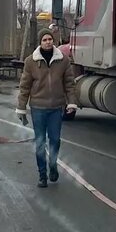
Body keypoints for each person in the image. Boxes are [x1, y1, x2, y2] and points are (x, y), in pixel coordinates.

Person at [16, 29, 79, 187]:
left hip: (56, 108)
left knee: (55, 140)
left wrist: (71, 103)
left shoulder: (63, 60)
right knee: (39, 142)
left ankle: (53, 165)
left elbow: (69, 84)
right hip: (38, 107)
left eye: (50, 39)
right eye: (44, 39)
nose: (47, 42)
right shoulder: (31, 61)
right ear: (40, 42)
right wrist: (21, 109)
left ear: (53, 41)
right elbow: (25, 87)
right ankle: (42, 175)